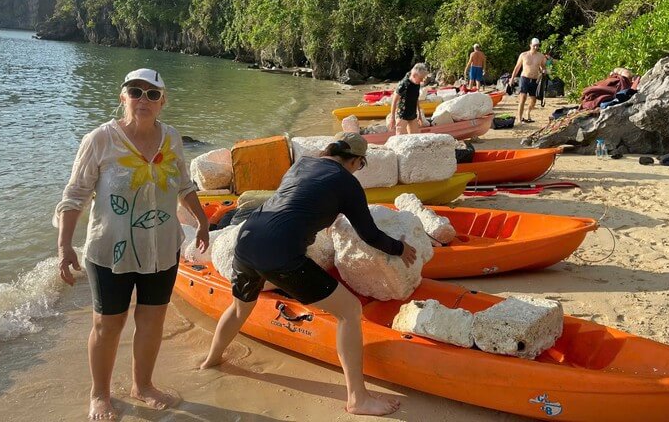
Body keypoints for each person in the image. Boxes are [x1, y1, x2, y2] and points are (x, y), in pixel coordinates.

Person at [200, 132, 417, 416]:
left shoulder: (301, 164)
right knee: (349, 311)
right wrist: (400, 248)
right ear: (355, 160)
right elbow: (370, 234)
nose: (357, 171)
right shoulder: (346, 182)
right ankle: (358, 399)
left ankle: (211, 360)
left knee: (241, 307)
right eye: (360, 165)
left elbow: (296, 203)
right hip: (279, 253)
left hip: (247, 239)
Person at [55, 68, 211, 421]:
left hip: (162, 247)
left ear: (162, 102)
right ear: (122, 96)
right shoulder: (100, 139)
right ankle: (100, 395)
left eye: (152, 94)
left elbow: (184, 185)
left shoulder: (171, 137)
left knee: (152, 319)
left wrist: (202, 220)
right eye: (136, 91)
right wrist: (64, 246)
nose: (144, 99)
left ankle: (143, 385)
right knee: (107, 324)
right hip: (111, 251)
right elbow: (75, 196)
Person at [509, 38, 547, 124]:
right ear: (530, 45)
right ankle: (519, 118)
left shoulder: (541, 56)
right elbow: (517, 67)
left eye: (537, 45)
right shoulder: (523, 55)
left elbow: (543, 66)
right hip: (524, 78)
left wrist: (544, 70)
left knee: (533, 100)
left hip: (534, 79)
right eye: (534, 45)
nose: (536, 47)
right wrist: (512, 79)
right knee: (523, 97)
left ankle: (528, 112)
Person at [389, 63, 428, 135]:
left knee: (415, 138)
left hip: (413, 115)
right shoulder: (403, 84)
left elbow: (416, 98)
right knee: (401, 139)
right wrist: (392, 118)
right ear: (414, 75)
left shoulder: (417, 84)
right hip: (402, 116)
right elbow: (394, 101)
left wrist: (419, 113)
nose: (422, 81)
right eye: (421, 78)